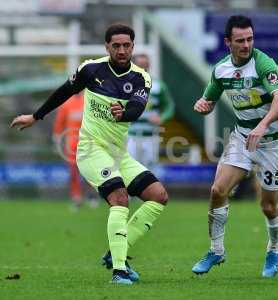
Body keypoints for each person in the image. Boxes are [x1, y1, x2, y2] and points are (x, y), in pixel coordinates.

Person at [10, 23, 168, 285]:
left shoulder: (141, 77)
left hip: (118, 153)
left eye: (126, 45)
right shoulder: (90, 69)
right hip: (91, 150)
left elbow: (138, 108)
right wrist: (36, 116)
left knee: (158, 196)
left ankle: (116, 251)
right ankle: (119, 271)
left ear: (133, 47)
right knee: (119, 198)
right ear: (107, 47)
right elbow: (64, 91)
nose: (121, 50)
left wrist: (124, 114)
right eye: (116, 45)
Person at [191, 15, 278, 278]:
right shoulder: (221, 70)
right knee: (217, 190)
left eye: (250, 39)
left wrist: (263, 125)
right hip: (243, 139)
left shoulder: (263, 63)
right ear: (228, 42)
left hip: (274, 141)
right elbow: (208, 100)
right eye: (240, 40)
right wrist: (202, 106)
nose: (246, 45)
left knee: (268, 206)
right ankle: (216, 250)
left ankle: (275, 247)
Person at [127, 53, 175, 172]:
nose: (143, 68)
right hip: (131, 136)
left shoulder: (158, 86)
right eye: (140, 65)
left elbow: (169, 106)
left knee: (150, 172)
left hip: (151, 137)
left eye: (146, 65)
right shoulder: (126, 85)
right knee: (131, 170)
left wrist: (162, 117)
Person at [53, 93, 84, 208]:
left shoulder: (88, 100)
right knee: (73, 171)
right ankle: (76, 196)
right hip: (71, 143)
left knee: (90, 171)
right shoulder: (66, 103)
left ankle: (92, 196)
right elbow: (59, 123)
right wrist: (57, 140)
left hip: (87, 142)